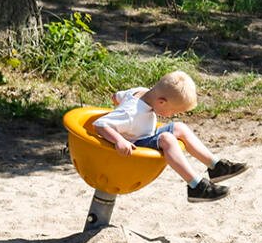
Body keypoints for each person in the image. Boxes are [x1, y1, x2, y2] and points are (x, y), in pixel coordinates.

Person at [90, 70, 249, 203]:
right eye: (173, 111)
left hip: (144, 135)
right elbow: (100, 124)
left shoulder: (140, 92)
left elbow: (115, 96)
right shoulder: (131, 112)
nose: (171, 115)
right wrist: (119, 140)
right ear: (161, 102)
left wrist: (121, 111)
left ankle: (216, 167)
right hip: (134, 146)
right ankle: (195, 186)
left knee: (180, 127)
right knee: (167, 139)